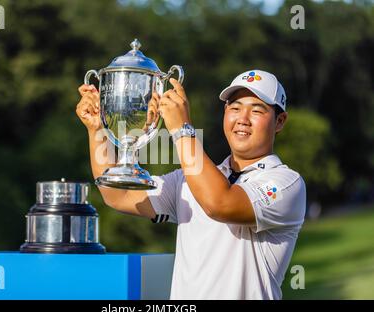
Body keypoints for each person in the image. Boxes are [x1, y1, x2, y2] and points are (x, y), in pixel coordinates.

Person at [75, 69, 306, 300]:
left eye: (257, 110)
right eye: (235, 108)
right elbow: (118, 194)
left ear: (279, 121)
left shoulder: (286, 183)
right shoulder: (187, 179)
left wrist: (181, 128)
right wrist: (97, 131)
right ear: (225, 113)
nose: (242, 119)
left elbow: (219, 203)